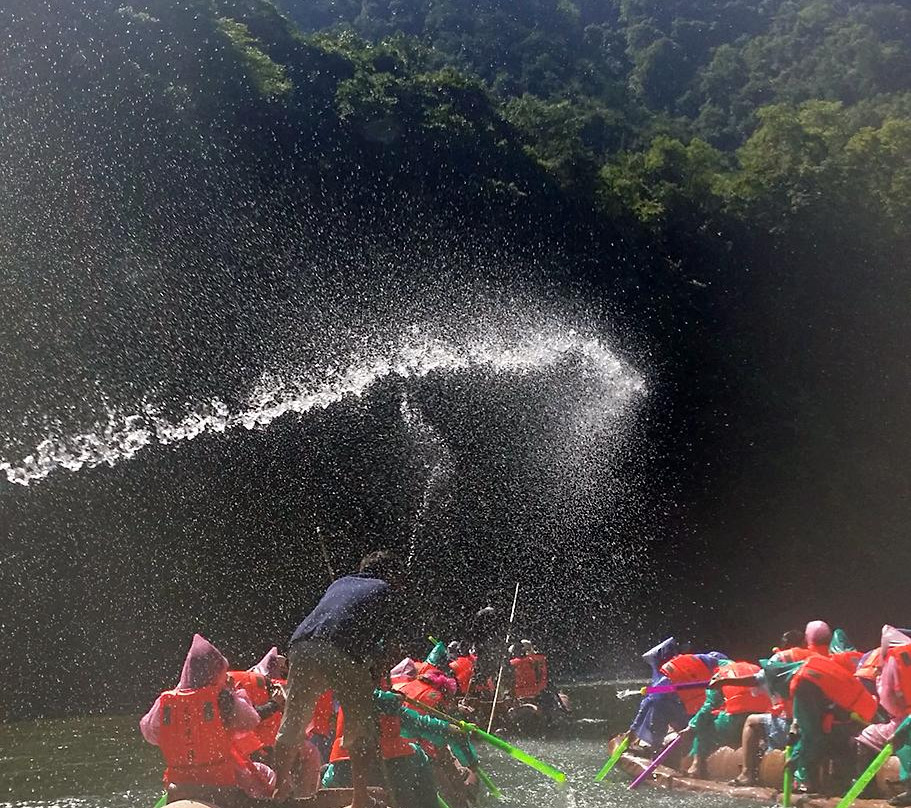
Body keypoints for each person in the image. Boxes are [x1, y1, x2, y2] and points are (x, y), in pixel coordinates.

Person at [273, 550, 406, 807]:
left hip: (301, 644)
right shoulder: (386, 590)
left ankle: (280, 787)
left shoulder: (340, 582)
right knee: (360, 728)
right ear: (390, 574)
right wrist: (376, 676)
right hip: (341, 648)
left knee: (293, 721)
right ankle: (360, 799)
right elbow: (387, 645)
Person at [139, 634, 276, 801]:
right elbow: (250, 722)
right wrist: (238, 695)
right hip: (221, 782)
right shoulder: (223, 698)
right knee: (266, 774)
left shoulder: (165, 702)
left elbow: (150, 735)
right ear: (216, 672)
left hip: (178, 782)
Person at [687, 659, 772, 779]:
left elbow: (708, 706)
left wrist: (691, 726)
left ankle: (696, 766)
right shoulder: (755, 669)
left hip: (735, 723)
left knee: (703, 724)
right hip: (761, 719)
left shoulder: (720, 675)